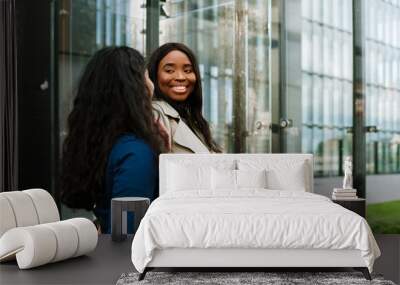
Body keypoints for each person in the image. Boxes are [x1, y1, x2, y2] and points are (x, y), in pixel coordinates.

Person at [60, 47, 165, 233]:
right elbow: (128, 232)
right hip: (126, 257)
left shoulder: (106, 142)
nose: (152, 85)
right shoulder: (135, 152)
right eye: (147, 76)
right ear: (136, 88)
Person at [147, 42, 221, 153]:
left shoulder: (193, 121)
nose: (181, 77)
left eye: (187, 71)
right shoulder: (155, 114)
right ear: (154, 75)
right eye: (169, 71)